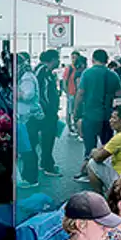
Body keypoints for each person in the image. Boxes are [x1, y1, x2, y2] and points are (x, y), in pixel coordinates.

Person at [74, 49, 121, 179]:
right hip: (107, 116)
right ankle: (108, 172)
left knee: (90, 145)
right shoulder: (113, 75)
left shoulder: (87, 73)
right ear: (106, 60)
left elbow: (80, 93)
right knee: (108, 145)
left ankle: (87, 172)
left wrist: (75, 112)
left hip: (90, 114)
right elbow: (119, 93)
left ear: (93, 59)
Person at [88, 105, 121, 194]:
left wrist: (93, 152)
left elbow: (98, 157)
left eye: (114, 118)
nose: (110, 120)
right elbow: (107, 146)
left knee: (92, 164)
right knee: (107, 157)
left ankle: (100, 196)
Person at [35, 49, 63, 177]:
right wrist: (47, 108)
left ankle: (46, 162)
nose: (59, 61)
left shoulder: (44, 71)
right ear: (52, 59)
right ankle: (48, 166)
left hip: (48, 111)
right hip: (47, 113)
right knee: (48, 138)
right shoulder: (43, 71)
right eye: (58, 58)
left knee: (48, 138)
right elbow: (40, 92)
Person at [17, 52, 43, 188]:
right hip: (26, 117)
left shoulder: (26, 78)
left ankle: (30, 178)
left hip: (29, 118)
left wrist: (13, 93)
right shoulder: (24, 76)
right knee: (28, 148)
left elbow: (28, 95)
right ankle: (28, 176)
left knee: (29, 148)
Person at [63, 51, 82, 133]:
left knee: (76, 110)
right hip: (71, 93)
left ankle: (76, 127)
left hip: (78, 93)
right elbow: (64, 81)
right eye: (73, 57)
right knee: (70, 111)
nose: (74, 59)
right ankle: (70, 127)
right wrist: (67, 92)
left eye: (76, 57)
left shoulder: (79, 68)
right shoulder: (69, 68)